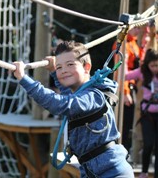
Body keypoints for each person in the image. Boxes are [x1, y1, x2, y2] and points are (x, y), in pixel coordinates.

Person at [13, 41, 134, 177]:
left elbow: (62, 104)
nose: (64, 70)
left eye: (70, 64)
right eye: (60, 67)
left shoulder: (93, 95)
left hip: (112, 172)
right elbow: (69, 95)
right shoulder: (80, 95)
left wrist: (24, 79)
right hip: (92, 172)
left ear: (86, 67)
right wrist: (54, 72)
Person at [125, 48, 158, 178]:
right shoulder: (142, 72)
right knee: (148, 144)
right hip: (147, 114)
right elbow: (125, 76)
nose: (155, 68)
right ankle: (144, 172)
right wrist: (125, 61)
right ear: (147, 64)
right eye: (152, 65)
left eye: (157, 65)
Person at [113, 27, 142, 154]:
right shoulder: (122, 44)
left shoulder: (134, 43)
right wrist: (124, 92)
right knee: (124, 123)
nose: (138, 31)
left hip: (134, 87)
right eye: (135, 28)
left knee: (131, 123)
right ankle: (121, 150)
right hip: (125, 88)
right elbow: (120, 70)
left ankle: (127, 150)